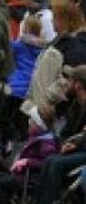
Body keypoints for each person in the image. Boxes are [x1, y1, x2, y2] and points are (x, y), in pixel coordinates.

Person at [37, 64, 86, 204]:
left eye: (70, 80)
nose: (66, 83)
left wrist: (74, 144)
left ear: (78, 84)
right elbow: (67, 131)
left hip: (83, 150)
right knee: (48, 160)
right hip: (76, 148)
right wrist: (64, 142)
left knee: (56, 164)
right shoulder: (75, 105)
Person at [5, 16, 48, 142]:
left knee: (8, 118)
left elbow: (6, 48)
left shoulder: (20, 45)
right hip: (30, 88)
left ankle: (10, 144)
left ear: (26, 28)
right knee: (23, 120)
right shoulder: (44, 48)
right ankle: (25, 142)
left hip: (15, 87)